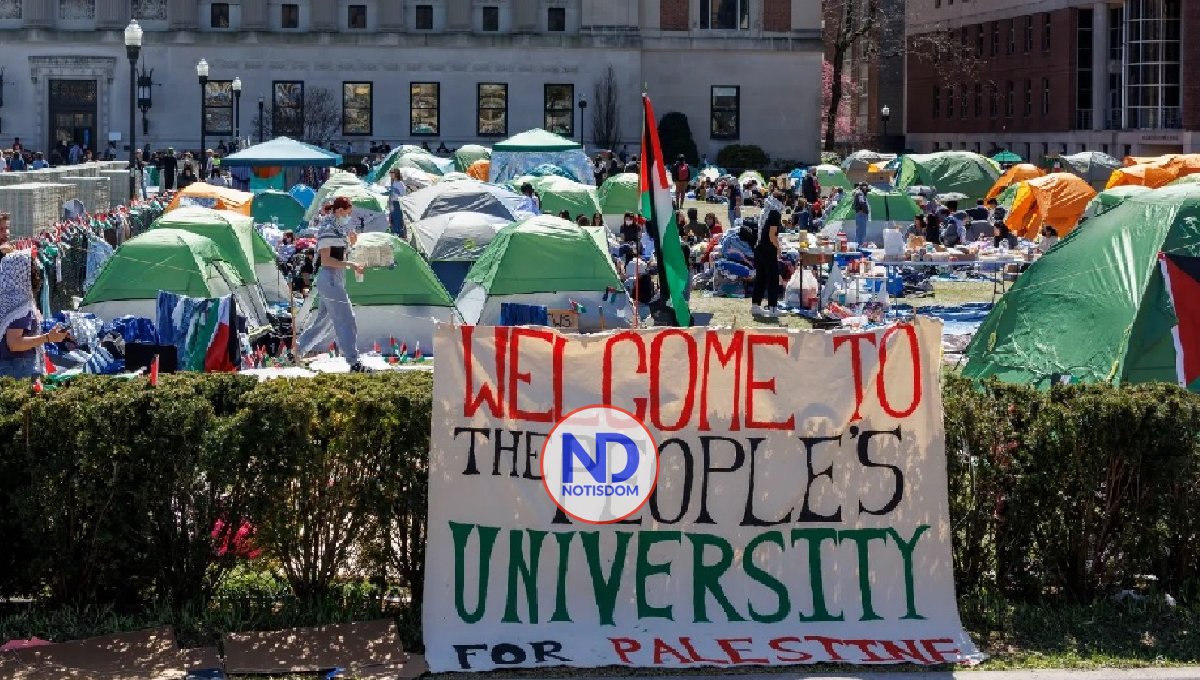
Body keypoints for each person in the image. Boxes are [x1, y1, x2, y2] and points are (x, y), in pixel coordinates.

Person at [298, 197, 366, 372]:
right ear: (339, 211)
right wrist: (351, 265)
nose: (349, 217)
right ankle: (354, 362)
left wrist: (351, 244)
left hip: (335, 278)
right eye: (348, 213)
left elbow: (339, 255)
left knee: (323, 322)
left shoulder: (338, 228)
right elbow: (327, 260)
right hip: (329, 278)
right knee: (346, 319)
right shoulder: (328, 229)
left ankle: (296, 352)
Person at [0, 251, 68, 379]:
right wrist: (47, 338)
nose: (36, 272)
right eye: (32, 268)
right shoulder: (19, 302)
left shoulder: (5, 296)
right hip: (18, 370)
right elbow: (14, 343)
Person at [751, 209, 782, 317]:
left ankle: (755, 306)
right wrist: (779, 248)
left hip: (759, 249)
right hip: (768, 251)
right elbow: (772, 235)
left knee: (760, 278)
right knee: (773, 278)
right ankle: (772, 308)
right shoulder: (775, 214)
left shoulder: (766, 215)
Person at [388, 168, 407, 237]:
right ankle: (394, 233)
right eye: (390, 173)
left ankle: (399, 233)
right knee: (392, 218)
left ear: (396, 174)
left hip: (397, 203)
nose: (390, 174)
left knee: (398, 218)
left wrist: (396, 194)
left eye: (392, 173)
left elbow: (403, 194)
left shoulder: (400, 183)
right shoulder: (392, 183)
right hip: (392, 202)